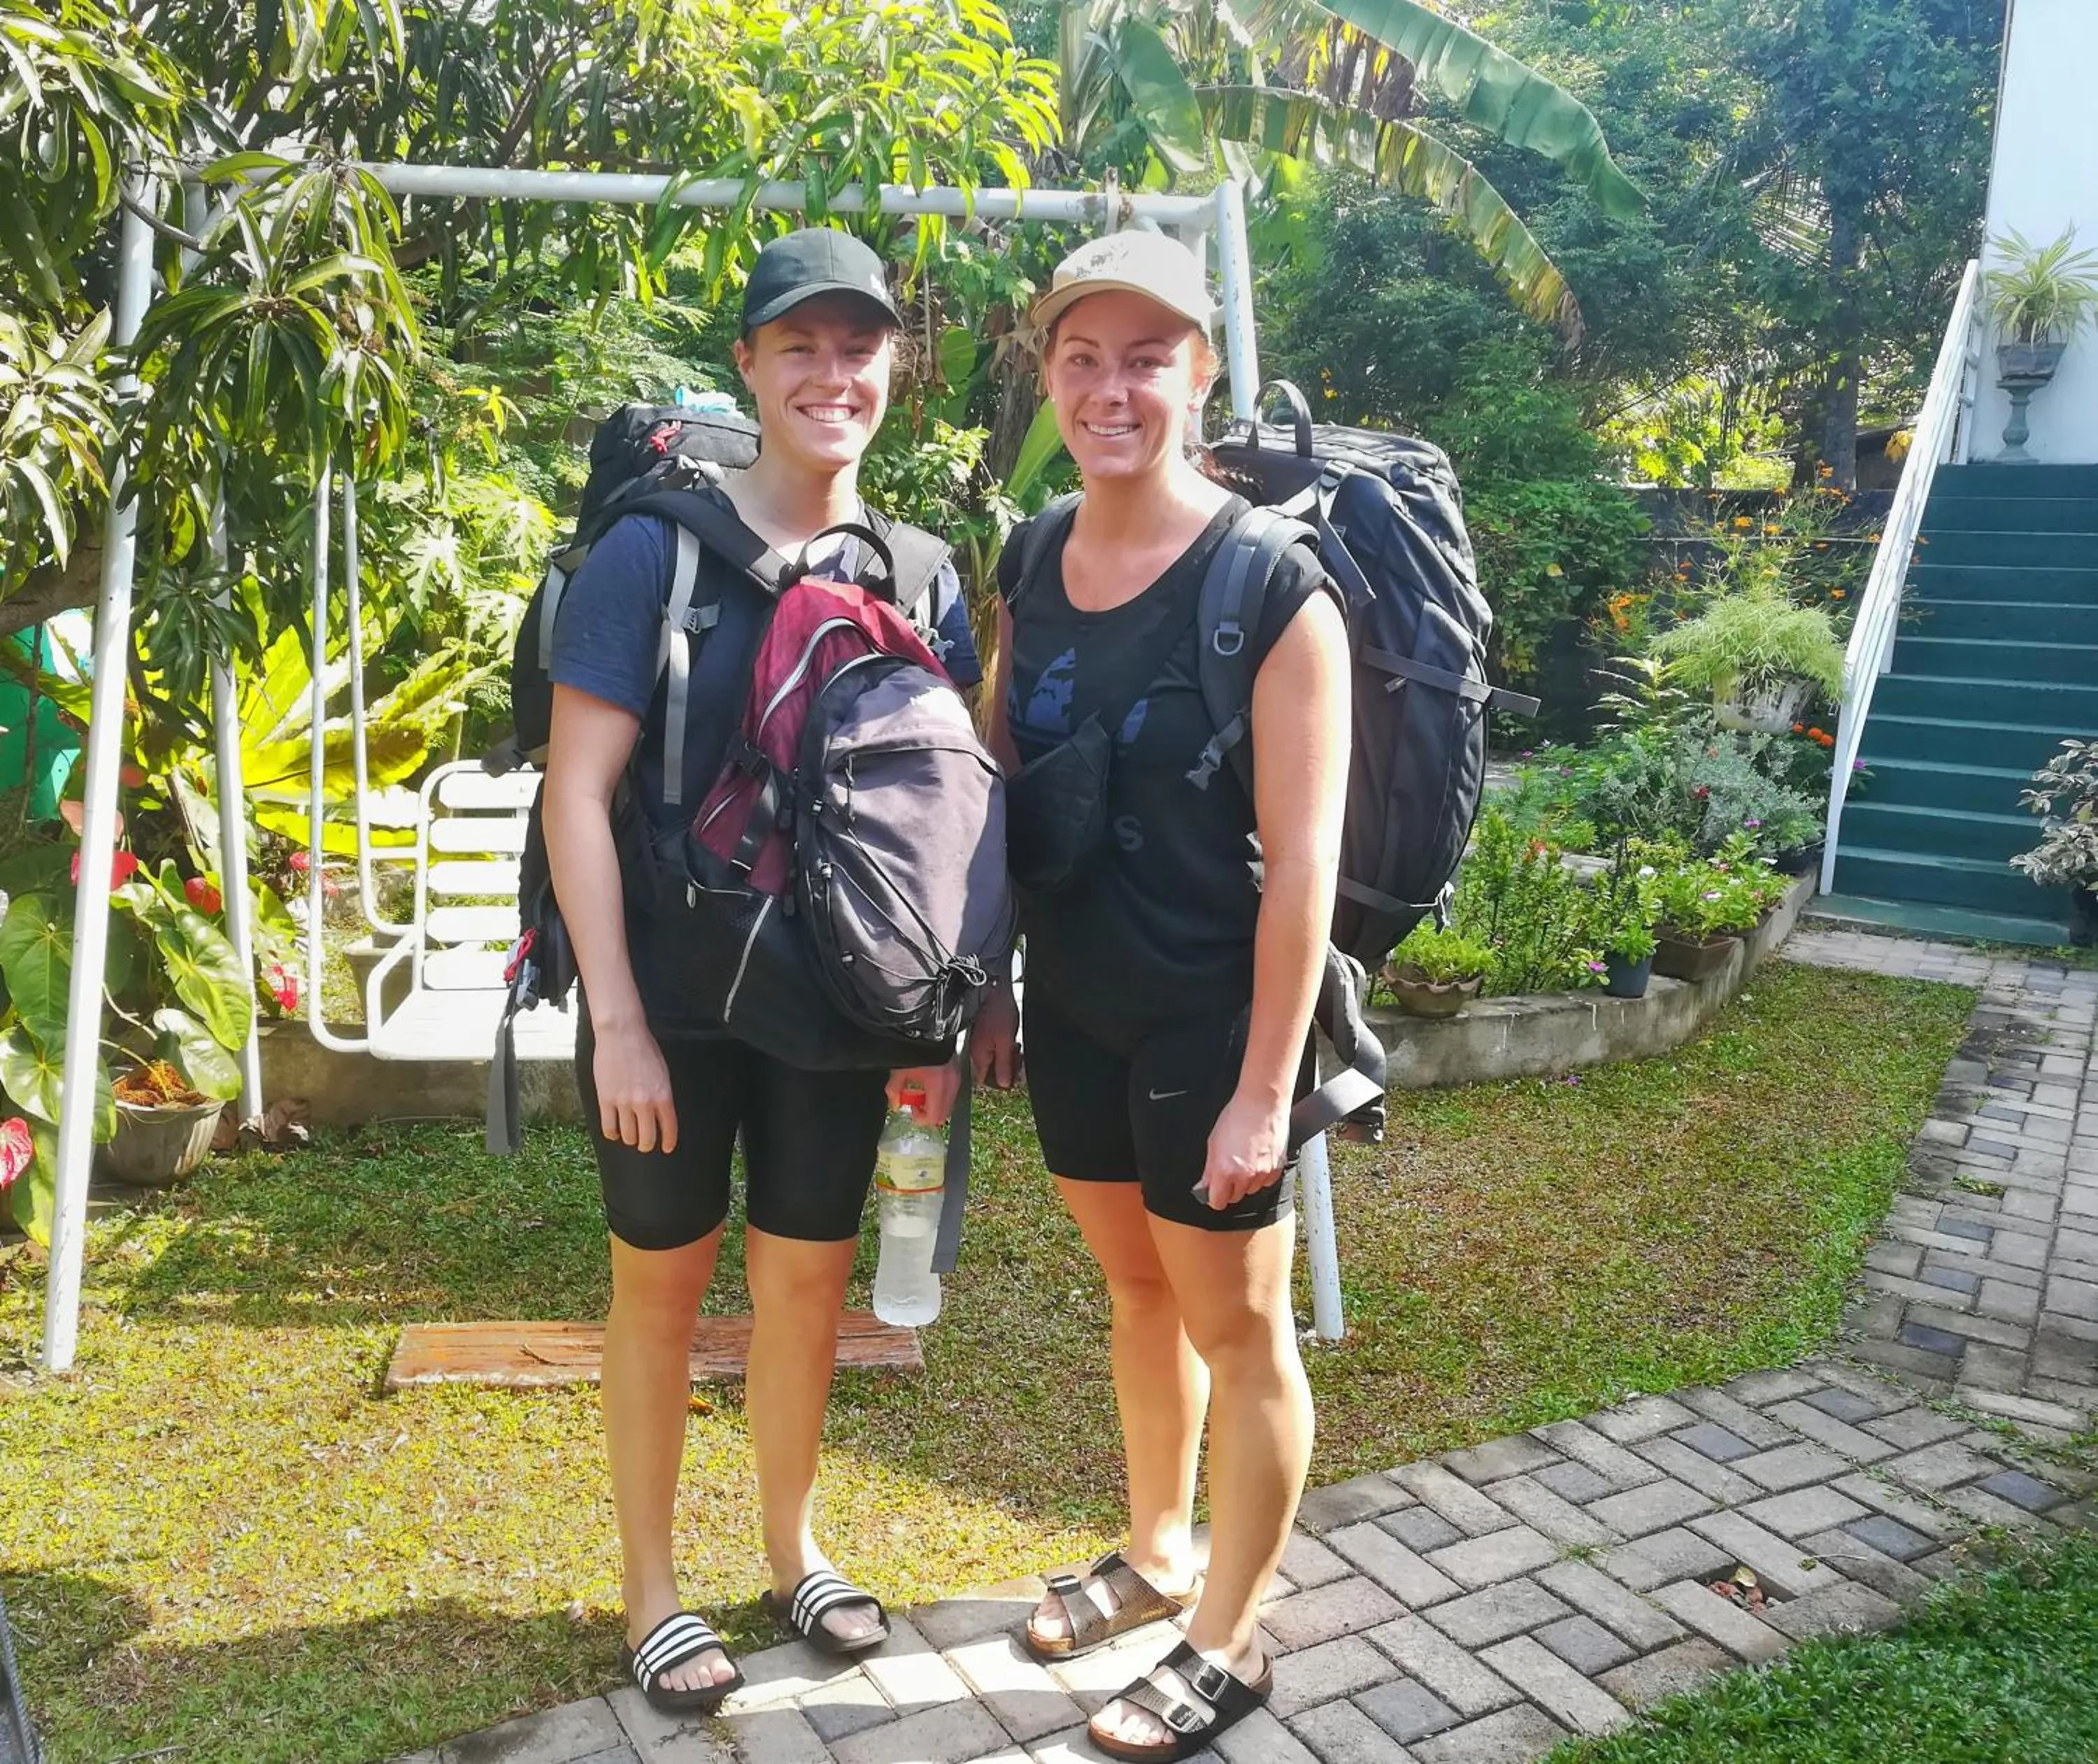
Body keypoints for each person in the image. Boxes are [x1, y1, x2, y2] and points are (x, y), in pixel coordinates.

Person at [543, 227, 976, 1714]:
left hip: (840, 1006)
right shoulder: (651, 554)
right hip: (666, 1001)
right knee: (658, 1293)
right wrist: (615, 1023)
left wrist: (940, 1013)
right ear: (748, 364)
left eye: (859, 346)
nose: (831, 373)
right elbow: (575, 796)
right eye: (799, 344)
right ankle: (652, 1589)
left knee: (807, 1284)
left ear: (893, 370)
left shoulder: (919, 571)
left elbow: (946, 818)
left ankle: (795, 1546)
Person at [971, 231, 1351, 1761]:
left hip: (1213, 1016)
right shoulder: (1029, 557)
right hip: (1072, 1005)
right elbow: (1005, 785)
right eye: (1083, 357)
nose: (1112, 386)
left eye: (1147, 357)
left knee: (1242, 1325)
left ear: (1202, 372)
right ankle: (1156, 1545)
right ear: (1049, 373)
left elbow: (1305, 870)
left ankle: (1227, 1636)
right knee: (1139, 1291)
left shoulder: (1271, 589)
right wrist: (991, 986)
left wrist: (1268, 1086)